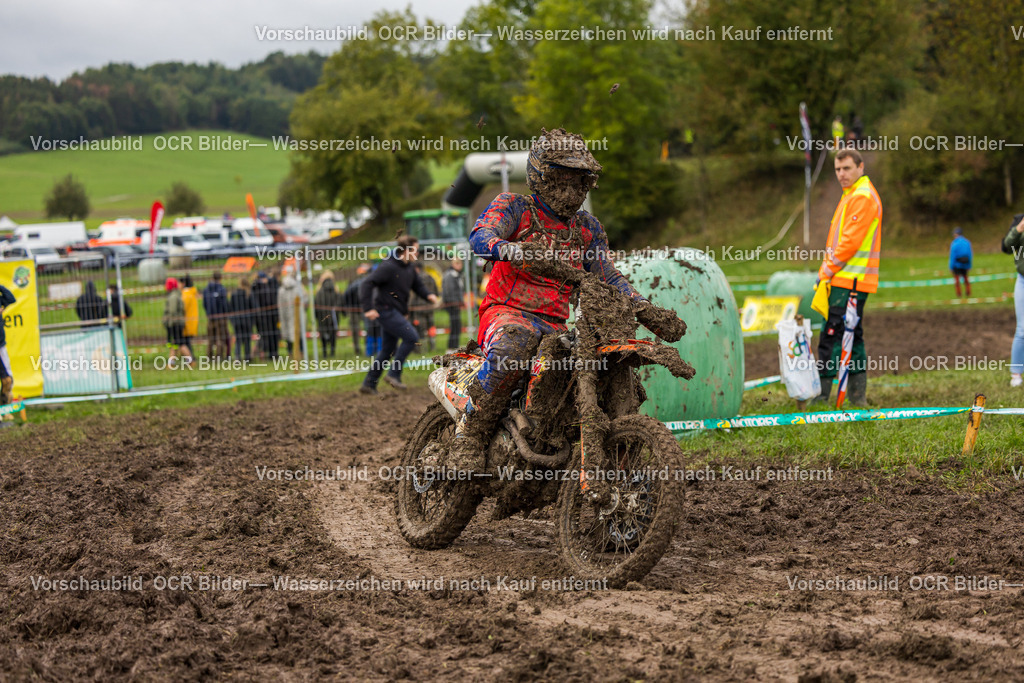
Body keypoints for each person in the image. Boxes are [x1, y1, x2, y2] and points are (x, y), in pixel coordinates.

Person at [454, 127, 673, 471]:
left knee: (606, 365)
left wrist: (644, 307)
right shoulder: (516, 207)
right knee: (515, 343)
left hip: (555, 325)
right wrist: (507, 248)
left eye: (578, 183)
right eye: (560, 182)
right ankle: (470, 434)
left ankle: (604, 457)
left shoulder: (587, 228)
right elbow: (481, 234)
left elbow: (607, 275)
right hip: (506, 312)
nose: (570, 193)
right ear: (540, 178)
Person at [812, 148, 882, 406]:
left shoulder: (862, 196)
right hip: (847, 279)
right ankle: (857, 397)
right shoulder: (852, 194)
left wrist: (825, 271)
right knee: (852, 336)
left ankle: (823, 397)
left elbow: (849, 244)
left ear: (860, 167)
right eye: (838, 169)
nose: (841, 174)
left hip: (849, 281)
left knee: (832, 334)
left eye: (847, 168)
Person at [359, 236, 438, 394]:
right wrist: (368, 308)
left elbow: (418, 286)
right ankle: (394, 374)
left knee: (387, 349)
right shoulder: (388, 266)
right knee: (412, 337)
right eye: (415, 250)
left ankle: (368, 384)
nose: (417, 253)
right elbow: (367, 283)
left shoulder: (409, 268)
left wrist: (429, 295)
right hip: (385, 310)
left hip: (397, 312)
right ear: (406, 250)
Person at [1003, 215, 1024, 387]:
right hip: (1023, 281)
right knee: (1022, 329)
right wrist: (1018, 230)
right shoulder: (1019, 220)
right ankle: (1016, 373)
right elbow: (1006, 247)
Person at [277, 267, 308, 357]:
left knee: (288, 333)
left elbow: (280, 305)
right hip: (298, 315)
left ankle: (290, 352)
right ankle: (301, 352)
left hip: (286, 315)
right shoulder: (299, 287)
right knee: (299, 333)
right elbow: (306, 300)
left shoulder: (281, 290)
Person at [343, 263, 372, 356]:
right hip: (359, 308)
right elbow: (347, 294)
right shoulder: (363, 281)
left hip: (358, 308)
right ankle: (364, 348)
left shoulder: (354, 282)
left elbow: (346, 294)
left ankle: (361, 349)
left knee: (361, 329)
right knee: (366, 328)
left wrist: (347, 306)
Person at [162, 278, 192, 365]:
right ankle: (171, 363)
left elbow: (172, 311)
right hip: (176, 323)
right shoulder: (176, 295)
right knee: (175, 344)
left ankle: (190, 361)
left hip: (174, 324)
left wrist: (168, 323)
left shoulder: (173, 297)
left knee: (180, 343)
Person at [410, 263, 439, 352]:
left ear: (417, 269)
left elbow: (413, 296)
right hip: (429, 307)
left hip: (418, 308)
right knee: (431, 327)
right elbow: (436, 292)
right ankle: (433, 347)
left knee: (420, 329)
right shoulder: (430, 277)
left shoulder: (415, 279)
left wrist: (410, 307)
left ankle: (422, 349)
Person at [251, 271, 280, 359]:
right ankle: (268, 353)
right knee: (269, 335)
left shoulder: (255, 287)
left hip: (263, 316)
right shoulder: (266, 287)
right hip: (269, 316)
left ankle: (265, 353)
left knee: (265, 335)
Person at [203, 271, 231, 358]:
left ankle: (209, 356)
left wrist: (208, 312)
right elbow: (224, 304)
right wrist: (226, 313)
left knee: (211, 338)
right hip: (221, 317)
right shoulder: (222, 289)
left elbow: (204, 304)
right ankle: (219, 356)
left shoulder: (206, 290)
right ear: (221, 278)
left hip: (211, 317)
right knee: (220, 338)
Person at [314, 271, 341, 358]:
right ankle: (332, 352)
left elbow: (316, 305)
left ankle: (324, 353)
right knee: (333, 333)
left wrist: (316, 316)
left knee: (323, 333)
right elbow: (339, 303)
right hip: (333, 316)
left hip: (322, 317)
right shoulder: (336, 290)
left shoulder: (319, 292)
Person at [442, 257, 465, 349]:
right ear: (453, 264)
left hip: (456, 304)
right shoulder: (450, 275)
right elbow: (449, 291)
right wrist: (456, 302)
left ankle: (454, 346)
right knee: (454, 326)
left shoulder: (457, 275)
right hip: (452, 304)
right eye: (457, 263)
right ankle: (451, 347)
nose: (459, 265)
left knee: (456, 326)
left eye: (460, 263)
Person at [229, 278, 255, 362]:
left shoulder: (234, 294)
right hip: (247, 321)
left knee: (238, 340)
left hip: (237, 321)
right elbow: (253, 308)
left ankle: (237, 357)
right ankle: (247, 358)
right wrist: (252, 321)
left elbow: (230, 308)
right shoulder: (249, 294)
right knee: (247, 340)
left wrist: (233, 320)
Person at [0, 283, 16, 416]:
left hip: (1, 346)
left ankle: (5, 409)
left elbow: (11, 298)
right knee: (6, 379)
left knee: (8, 380)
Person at [949, 227, 973, 298]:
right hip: (965, 263)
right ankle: (968, 292)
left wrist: (951, 267)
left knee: (957, 280)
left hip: (957, 264)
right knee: (966, 279)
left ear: (956, 234)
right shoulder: (967, 242)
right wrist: (969, 265)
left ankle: (959, 294)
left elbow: (952, 256)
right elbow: (969, 254)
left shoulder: (954, 243)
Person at [180, 275, 200, 354]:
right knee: (186, 342)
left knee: (184, 342)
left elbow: (182, 308)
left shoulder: (186, 294)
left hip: (186, 322)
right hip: (191, 321)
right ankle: (189, 357)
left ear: (183, 283)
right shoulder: (191, 292)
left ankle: (190, 358)